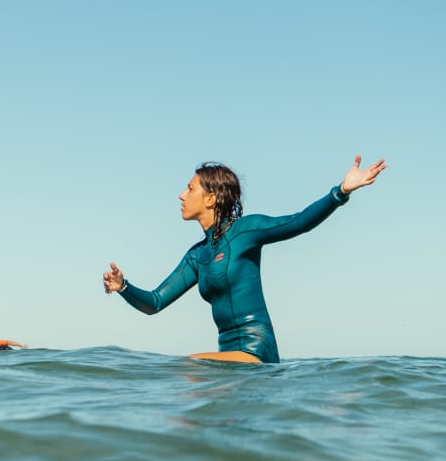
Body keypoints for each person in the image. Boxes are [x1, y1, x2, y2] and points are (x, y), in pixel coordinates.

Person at [103, 155, 386, 364]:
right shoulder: (197, 255)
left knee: (188, 367)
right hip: (229, 355)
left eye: (190, 189)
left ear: (211, 198)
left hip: (256, 350)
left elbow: (299, 222)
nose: (181, 195)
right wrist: (124, 286)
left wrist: (341, 192)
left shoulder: (245, 231)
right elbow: (155, 302)